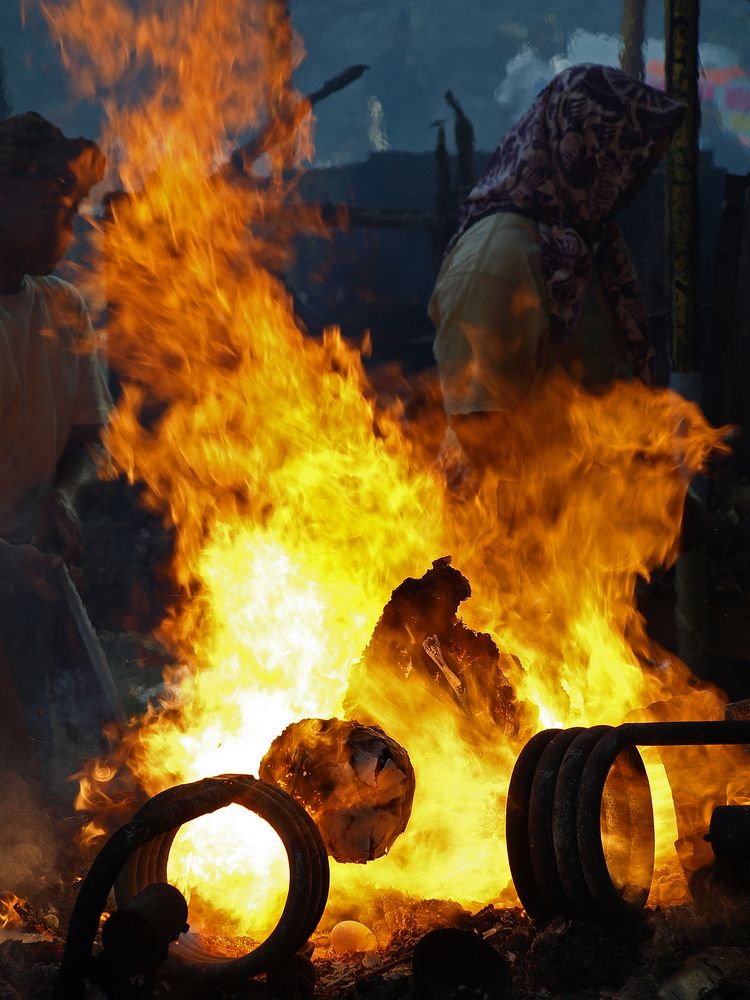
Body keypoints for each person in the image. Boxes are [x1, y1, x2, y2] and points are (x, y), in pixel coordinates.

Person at [429, 63, 685, 472]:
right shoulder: (497, 259)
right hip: (528, 529)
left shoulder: (584, 241)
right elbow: (481, 434)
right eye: (624, 160)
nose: (635, 181)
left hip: (606, 521)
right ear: (582, 149)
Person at [0, 111, 115, 792]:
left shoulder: (62, 307)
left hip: (33, 580)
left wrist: (62, 496)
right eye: (49, 206)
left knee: (52, 757)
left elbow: (85, 433)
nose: (64, 227)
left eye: (71, 210)